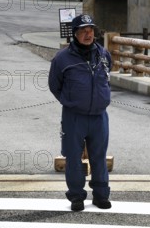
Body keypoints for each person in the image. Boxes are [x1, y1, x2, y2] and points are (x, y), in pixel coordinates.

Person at [48, 14, 113, 212]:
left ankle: (101, 196)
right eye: (83, 31)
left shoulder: (103, 54)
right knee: (73, 157)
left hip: (99, 116)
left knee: (99, 157)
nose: (88, 34)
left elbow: (108, 74)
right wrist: (70, 102)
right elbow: (54, 85)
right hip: (74, 116)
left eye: (91, 30)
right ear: (75, 34)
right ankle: (77, 196)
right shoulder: (62, 58)